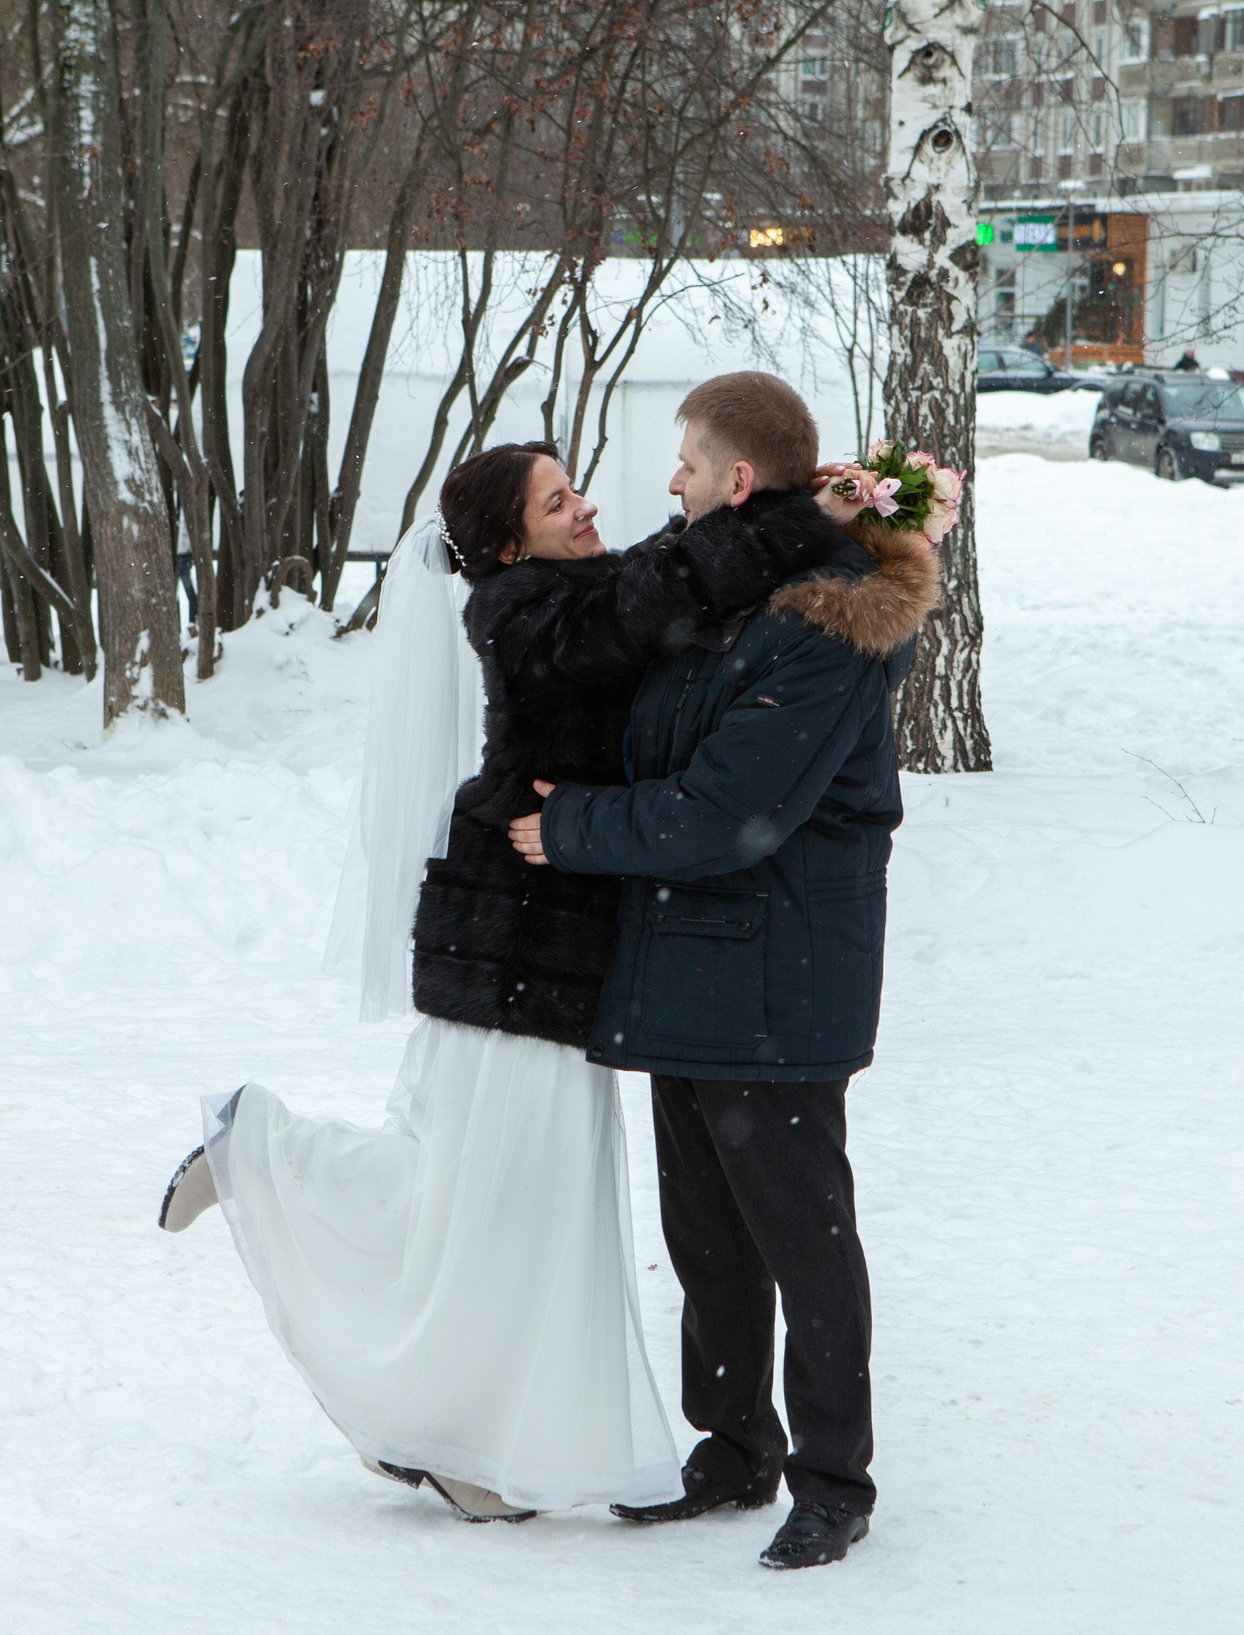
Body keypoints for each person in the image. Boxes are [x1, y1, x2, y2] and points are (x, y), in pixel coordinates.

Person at [155, 434, 875, 1523]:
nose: (585, 507)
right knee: (484, 1194)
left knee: (495, 1197)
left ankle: (457, 1434)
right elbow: (664, 587)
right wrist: (795, 513)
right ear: (505, 542)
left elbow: (658, 577)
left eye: (578, 486)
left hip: (558, 935)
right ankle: (257, 1147)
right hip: (518, 930)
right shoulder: (522, 612)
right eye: (557, 500)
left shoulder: (571, 591)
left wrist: (805, 516)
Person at [510, 372, 939, 1570]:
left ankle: (832, 1482)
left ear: (735, 480)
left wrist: (574, 827)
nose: (669, 483)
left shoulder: (820, 625)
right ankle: (733, 1450)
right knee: (707, 1237)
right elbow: (620, 620)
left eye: (687, 464)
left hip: (779, 974)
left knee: (803, 1238)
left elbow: (726, 811)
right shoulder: (722, 593)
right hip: (691, 960)